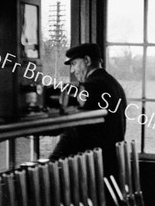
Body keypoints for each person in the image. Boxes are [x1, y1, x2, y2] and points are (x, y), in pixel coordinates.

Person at [50, 43, 127, 177]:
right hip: (110, 165)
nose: (72, 70)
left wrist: (54, 160)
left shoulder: (91, 87)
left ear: (87, 60)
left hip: (92, 168)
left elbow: (74, 131)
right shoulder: (114, 85)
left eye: (74, 64)